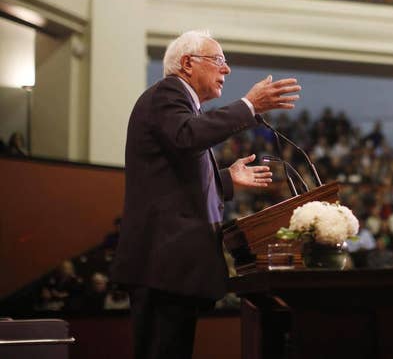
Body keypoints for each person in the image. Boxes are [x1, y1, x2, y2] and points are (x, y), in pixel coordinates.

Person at [112, 30, 301, 359]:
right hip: (163, 265)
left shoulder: (181, 106)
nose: (226, 70)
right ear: (187, 63)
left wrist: (227, 179)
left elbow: (173, 174)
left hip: (171, 267)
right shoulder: (167, 95)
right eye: (219, 61)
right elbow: (187, 137)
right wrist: (248, 105)